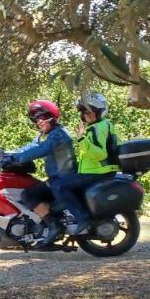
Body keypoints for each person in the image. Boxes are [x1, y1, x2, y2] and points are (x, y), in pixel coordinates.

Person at [1, 99, 87, 244]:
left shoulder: (59, 134)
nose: (39, 122)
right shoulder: (45, 135)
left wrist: (15, 158)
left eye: (42, 118)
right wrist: (7, 155)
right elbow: (30, 147)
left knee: (28, 195)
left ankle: (54, 226)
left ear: (52, 117)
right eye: (36, 119)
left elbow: (41, 150)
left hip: (63, 177)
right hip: (57, 178)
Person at [50, 92, 121, 225]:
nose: (85, 115)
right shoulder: (101, 126)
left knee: (58, 185)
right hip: (100, 170)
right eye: (83, 112)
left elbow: (101, 154)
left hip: (98, 172)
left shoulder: (97, 128)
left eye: (88, 111)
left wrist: (82, 139)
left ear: (99, 111)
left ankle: (81, 217)